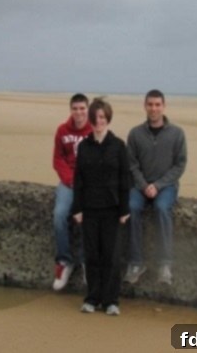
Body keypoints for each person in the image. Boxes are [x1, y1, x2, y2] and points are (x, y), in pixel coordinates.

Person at [72, 98, 130, 316]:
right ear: (91, 120)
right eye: (95, 118)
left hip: (112, 209)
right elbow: (78, 180)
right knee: (92, 255)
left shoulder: (118, 146)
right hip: (89, 209)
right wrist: (77, 209)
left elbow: (125, 179)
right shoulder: (84, 147)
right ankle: (92, 298)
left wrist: (124, 209)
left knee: (111, 256)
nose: (99, 122)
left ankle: (111, 301)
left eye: (102, 118)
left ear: (108, 119)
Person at [124, 89, 187, 286]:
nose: (154, 108)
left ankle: (164, 264)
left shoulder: (177, 133)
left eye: (157, 104)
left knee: (161, 208)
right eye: (150, 104)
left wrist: (158, 185)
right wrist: (144, 186)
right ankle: (135, 263)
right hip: (140, 185)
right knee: (132, 208)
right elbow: (131, 164)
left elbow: (180, 164)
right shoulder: (135, 133)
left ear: (164, 106)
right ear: (145, 106)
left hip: (166, 186)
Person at [52, 93, 92, 291]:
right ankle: (64, 261)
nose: (79, 112)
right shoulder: (62, 130)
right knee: (60, 215)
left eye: (82, 108)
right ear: (71, 110)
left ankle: (86, 262)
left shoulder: (94, 130)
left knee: (88, 217)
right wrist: (70, 180)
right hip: (68, 183)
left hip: (90, 183)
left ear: (88, 109)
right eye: (75, 109)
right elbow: (58, 160)